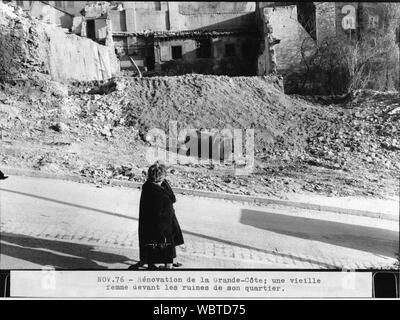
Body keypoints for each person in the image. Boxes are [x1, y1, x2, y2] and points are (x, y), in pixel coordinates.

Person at [130, 162, 184, 270]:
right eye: (163, 177)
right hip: (161, 224)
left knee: (164, 241)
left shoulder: (153, 186)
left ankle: (160, 261)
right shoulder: (156, 192)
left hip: (161, 221)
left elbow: (172, 198)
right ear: (160, 177)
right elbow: (170, 200)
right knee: (164, 243)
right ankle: (164, 264)